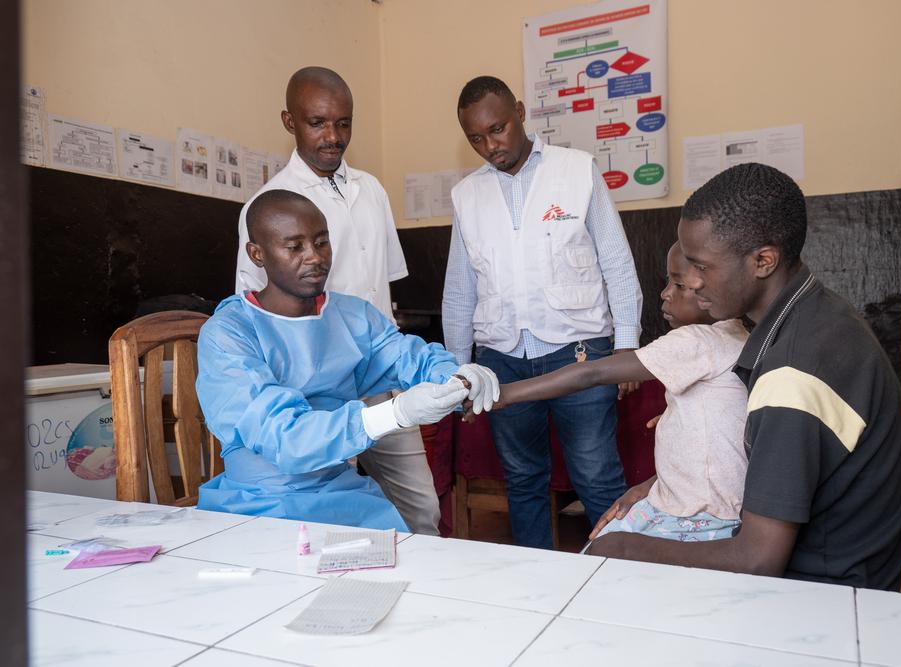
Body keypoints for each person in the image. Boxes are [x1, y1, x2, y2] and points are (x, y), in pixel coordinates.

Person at [589, 163, 901, 591]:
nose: (691, 282)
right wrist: (657, 483)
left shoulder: (792, 373)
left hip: (824, 591)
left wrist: (624, 547)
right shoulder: (818, 313)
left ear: (763, 261)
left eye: (701, 266)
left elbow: (756, 560)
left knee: (605, 571)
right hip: (856, 566)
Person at [233, 66, 478, 535]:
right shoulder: (268, 205)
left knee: (420, 507)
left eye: (343, 123)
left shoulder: (371, 190)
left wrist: (433, 372)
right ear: (289, 121)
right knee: (328, 519)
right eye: (317, 123)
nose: (333, 136)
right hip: (313, 394)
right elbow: (257, 310)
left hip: (380, 374)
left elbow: (381, 289)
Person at [198, 190, 497, 530]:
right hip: (262, 501)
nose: (314, 257)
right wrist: (395, 412)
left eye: (321, 242)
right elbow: (285, 438)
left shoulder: (350, 315)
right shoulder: (230, 332)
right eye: (294, 247)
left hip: (339, 489)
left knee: (405, 543)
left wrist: (457, 377)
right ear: (257, 254)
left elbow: (408, 357)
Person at [443, 75, 643, 549]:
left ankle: (624, 570)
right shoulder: (466, 195)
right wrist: (457, 370)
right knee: (522, 479)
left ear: (519, 112)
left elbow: (616, 261)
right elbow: (459, 290)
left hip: (580, 353)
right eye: (476, 138)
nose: (490, 146)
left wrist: (627, 344)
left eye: (498, 129)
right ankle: (538, 578)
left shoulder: (576, 170)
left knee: (596, 474)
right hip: (502, 360)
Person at [494, 242, 750, 545]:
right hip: (707, 502)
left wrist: (504, 393)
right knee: (608, 535)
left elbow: (591, 373)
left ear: (713, 290)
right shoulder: (738, 334)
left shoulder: (696, 340)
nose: (665, 293)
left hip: (700, 514)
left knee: (605, 549)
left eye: (679, 285)